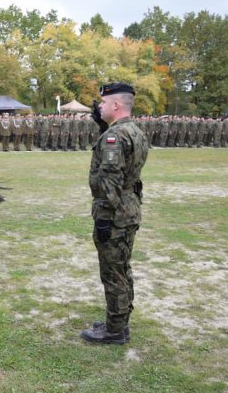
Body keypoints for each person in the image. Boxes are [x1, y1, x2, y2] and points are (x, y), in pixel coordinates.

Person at [81, 82, 148, 345]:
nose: (99, 106)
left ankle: (115, 331)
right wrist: (101, 125)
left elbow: (110, 179)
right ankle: (118, 322)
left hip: (116, 213)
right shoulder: (133, 131)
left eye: (103, 103)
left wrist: (105, 218)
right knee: (122, 268)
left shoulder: (115, 137)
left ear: (116, 105)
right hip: (129, 208)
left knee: (113, 272)